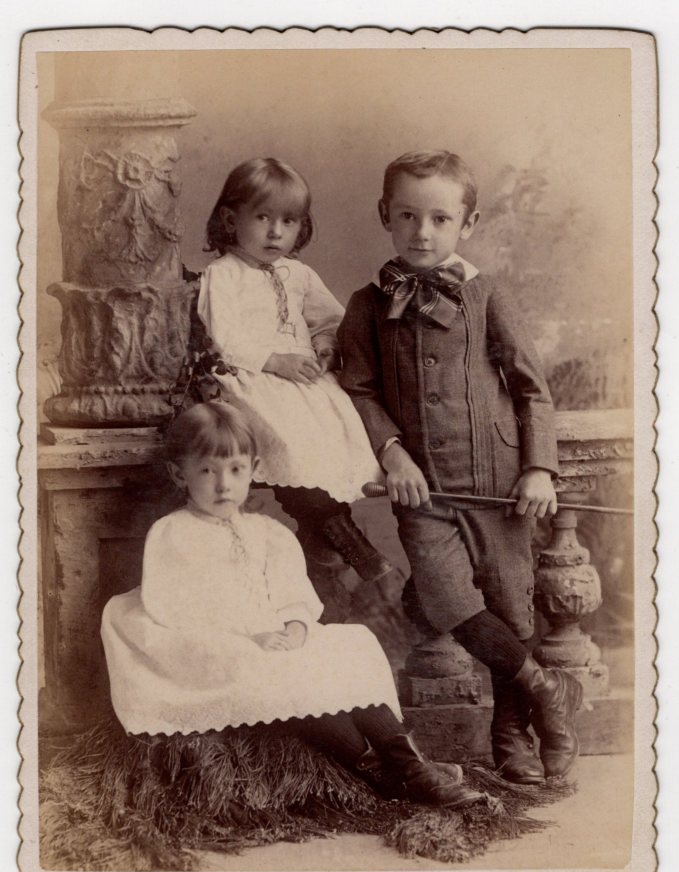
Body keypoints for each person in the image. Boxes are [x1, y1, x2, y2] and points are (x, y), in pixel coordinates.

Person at [101, 402, 485, 810]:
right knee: (291, 676)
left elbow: (293, 596)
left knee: (351, 647)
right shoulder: (173, 533)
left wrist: (295, 629)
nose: (223, 485)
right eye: (207, 471)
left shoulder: (268, 532)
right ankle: (393, 772)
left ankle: (408, 767)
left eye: (235, 470)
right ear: (180, 474)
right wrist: (250, 638)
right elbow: (179, 607)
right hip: (215, 647)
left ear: (254, 469)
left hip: (273, 637)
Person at [339, 150, 582, 784]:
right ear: (385, 215)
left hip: (499, 484)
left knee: (512, 608)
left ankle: (512, 735)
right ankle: (549, 689)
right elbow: (358, 389)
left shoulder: (487, 294)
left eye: (440, 218)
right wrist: (392, 452)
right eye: (407, 216)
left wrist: (539, 468)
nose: (422, 232)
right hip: (423, 492)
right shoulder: (367, 305)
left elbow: (531, 389)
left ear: (467, 224)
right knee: (448, 601)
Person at [196, 156, 391, 582]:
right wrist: (275, 361)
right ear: (230, 219)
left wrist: (325, 347)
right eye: (262, 218)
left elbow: (330, 320)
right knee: (289, 442)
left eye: (289, 221)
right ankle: (342, 535)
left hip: (304, 382)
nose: (275, 232)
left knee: (335, 433)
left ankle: (325, 532)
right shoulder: (223, 275)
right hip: (253, 379)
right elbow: (223, 338)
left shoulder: (298, 274)